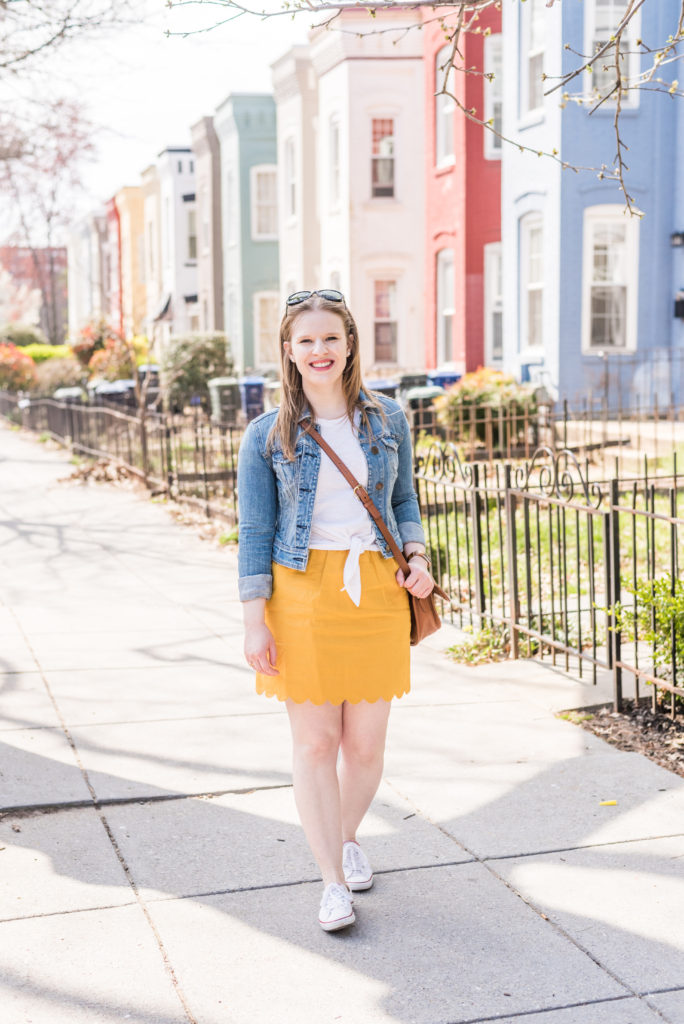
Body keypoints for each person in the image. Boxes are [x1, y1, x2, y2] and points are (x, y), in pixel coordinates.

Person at [237, 288, 435, 932]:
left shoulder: (387, 421)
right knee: (317, 744)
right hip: (301, 594)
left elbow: (403, 500)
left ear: (350, 343)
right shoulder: (267, 435)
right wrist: (253, 617)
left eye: (330, 338)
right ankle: (330, 880)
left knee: (366, 746)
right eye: (305, 341)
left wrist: (418, 555)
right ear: (289, 353)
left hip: (375, 590)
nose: (318, 350)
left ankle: (345, 836)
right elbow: (254, 531)